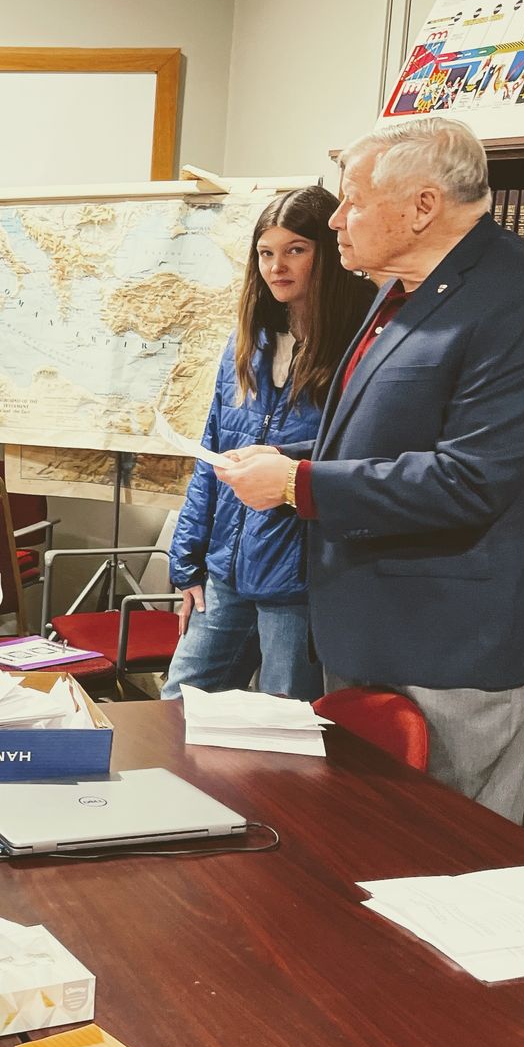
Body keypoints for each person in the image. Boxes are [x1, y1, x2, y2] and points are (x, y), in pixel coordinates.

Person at [215, 116, 524, 822]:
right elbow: (385, 440)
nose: (336, 219)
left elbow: (472, 478)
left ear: (422, 207)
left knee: (448, 855)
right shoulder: (397, 288)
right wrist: (292, 461)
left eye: (354, 199)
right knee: (366, 842)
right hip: (370, 629)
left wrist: (298, 486)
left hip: (458, 648)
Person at [163, 185, 370, 701]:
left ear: (328, 252)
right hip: (226, 568)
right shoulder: (247, 341)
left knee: (283, 725)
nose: (277, 266)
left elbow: (357, 459)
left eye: (296, 250)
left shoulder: (359, 346)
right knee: (179, 704)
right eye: (266, 253)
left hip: (298, 581)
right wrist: (187, 562)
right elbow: (211, 454)